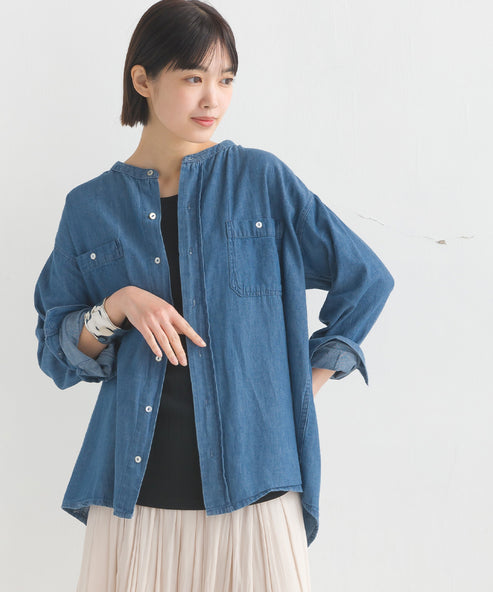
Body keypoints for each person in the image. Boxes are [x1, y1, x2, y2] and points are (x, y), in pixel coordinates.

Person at [33, 1, 395, 590]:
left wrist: (302, 388)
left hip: (255, 483)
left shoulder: (261, 181)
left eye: (225, 80)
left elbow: (367, 278)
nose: (213, 100)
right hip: (134, 498)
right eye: (193, 78)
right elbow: (57, 351)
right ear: (143, 80)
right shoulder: (90, 207)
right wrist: (118, 305)